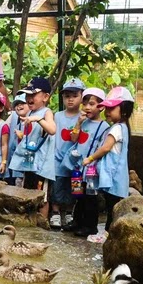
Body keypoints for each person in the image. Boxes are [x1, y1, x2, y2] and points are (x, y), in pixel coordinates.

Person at [82, 86, 134, 235]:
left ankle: (107, 235)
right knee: (113, 205)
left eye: (111, 109)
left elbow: (105, 148)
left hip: (113, 175)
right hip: (117, 175)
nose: (107, 112)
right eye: (106, 108)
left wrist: (90, 158)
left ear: (124, 109)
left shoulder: (116, 129)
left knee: (112, 206)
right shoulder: (123, 128)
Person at [62, 88, 109, 236]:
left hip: (91, 170)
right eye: (85, 104)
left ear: (101, 107)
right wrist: (78, 124)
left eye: (92, 104)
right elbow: (74, 139)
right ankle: (77, 221)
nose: (87, 107)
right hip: (78, 167)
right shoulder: (83, 122)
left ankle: (90, 226)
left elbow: (103, 147)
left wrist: (92, 160)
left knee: (91, 198)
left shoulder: (105, 127)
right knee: (78, 196)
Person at [8, 77, 56, 220]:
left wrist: (39, 120)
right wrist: (22, 135)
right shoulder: (30, 113)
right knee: (27, 194)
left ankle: (41, 226)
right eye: (27, 95)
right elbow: (32, 134)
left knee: (42, 196)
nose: (29, 98)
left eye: (33, 95)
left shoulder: (46, 112)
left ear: (45, 97)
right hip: (29, 162)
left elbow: (52, 130)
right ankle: (29, 222)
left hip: (41, 165)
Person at [50, 78, 85, 230]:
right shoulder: (57, 116)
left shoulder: (84, 118)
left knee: (74, 188)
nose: (70, 99)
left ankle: (70, 212)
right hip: (58, 159)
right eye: (67, 96)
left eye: (74, 95)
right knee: (57, 186)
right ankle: (56, 212)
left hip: (75, 161)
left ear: (82, 96)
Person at [5, 93, 28, 187]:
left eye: (22, 103)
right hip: (12, 164)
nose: (19, 106)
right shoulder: (14, 117)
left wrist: (23, 136)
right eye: (17, 104)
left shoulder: (34, 121)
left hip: (25, 166)